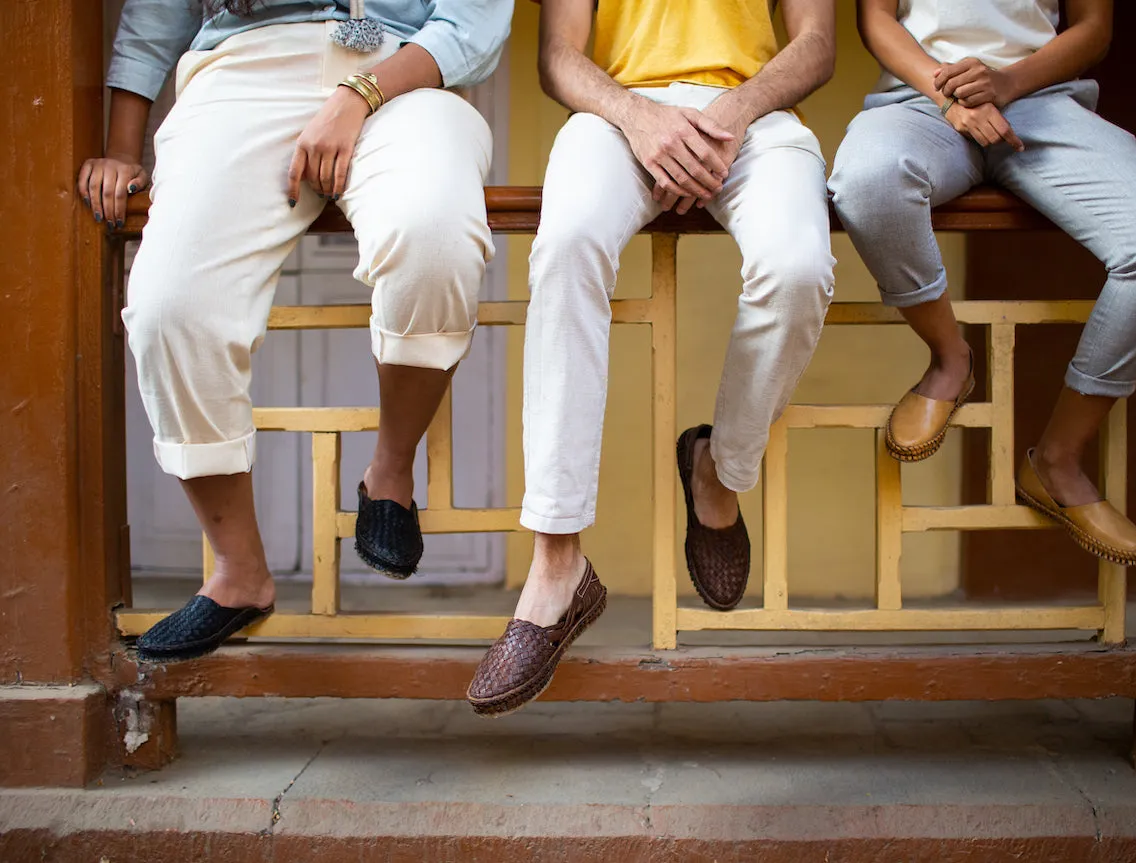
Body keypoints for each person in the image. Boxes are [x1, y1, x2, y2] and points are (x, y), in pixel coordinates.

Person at [79, 0, 513, 663]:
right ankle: (238, 571)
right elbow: (152, 18)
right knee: (170, 302)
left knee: (435, 234)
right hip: (242, 69)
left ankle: (390, 471)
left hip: (405, 71)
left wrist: (359, 94)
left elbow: (474, 23)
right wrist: (118, 148)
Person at [467, 0, 837, 717]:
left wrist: (735, 110)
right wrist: (640, 119)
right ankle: (557, 562)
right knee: (567, 243)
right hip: (617, 116)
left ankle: (719, 470)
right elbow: (559, 56)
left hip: (754, 117)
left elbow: (817, 44)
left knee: (797, 267)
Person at [829, 0, 1136, 565]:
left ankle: (1056, 459)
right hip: (918, 103)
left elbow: (1093, 28)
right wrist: (947, 96)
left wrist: (1006, 82)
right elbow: (875, 19)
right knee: (867, 182)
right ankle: (950, 359)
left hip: (1045, 103)